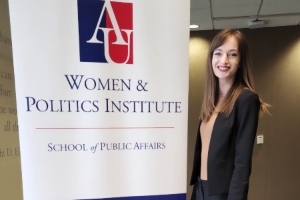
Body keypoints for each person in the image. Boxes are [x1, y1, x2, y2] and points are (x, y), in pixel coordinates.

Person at [190, 29, 269, 200]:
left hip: (223, 193)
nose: (224, 60)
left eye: (232, 54)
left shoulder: (246, 99)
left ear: (240, 61)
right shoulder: (211, 100)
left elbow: (242, 164)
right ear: (211, 57)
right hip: (200, 190)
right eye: (218, 53)